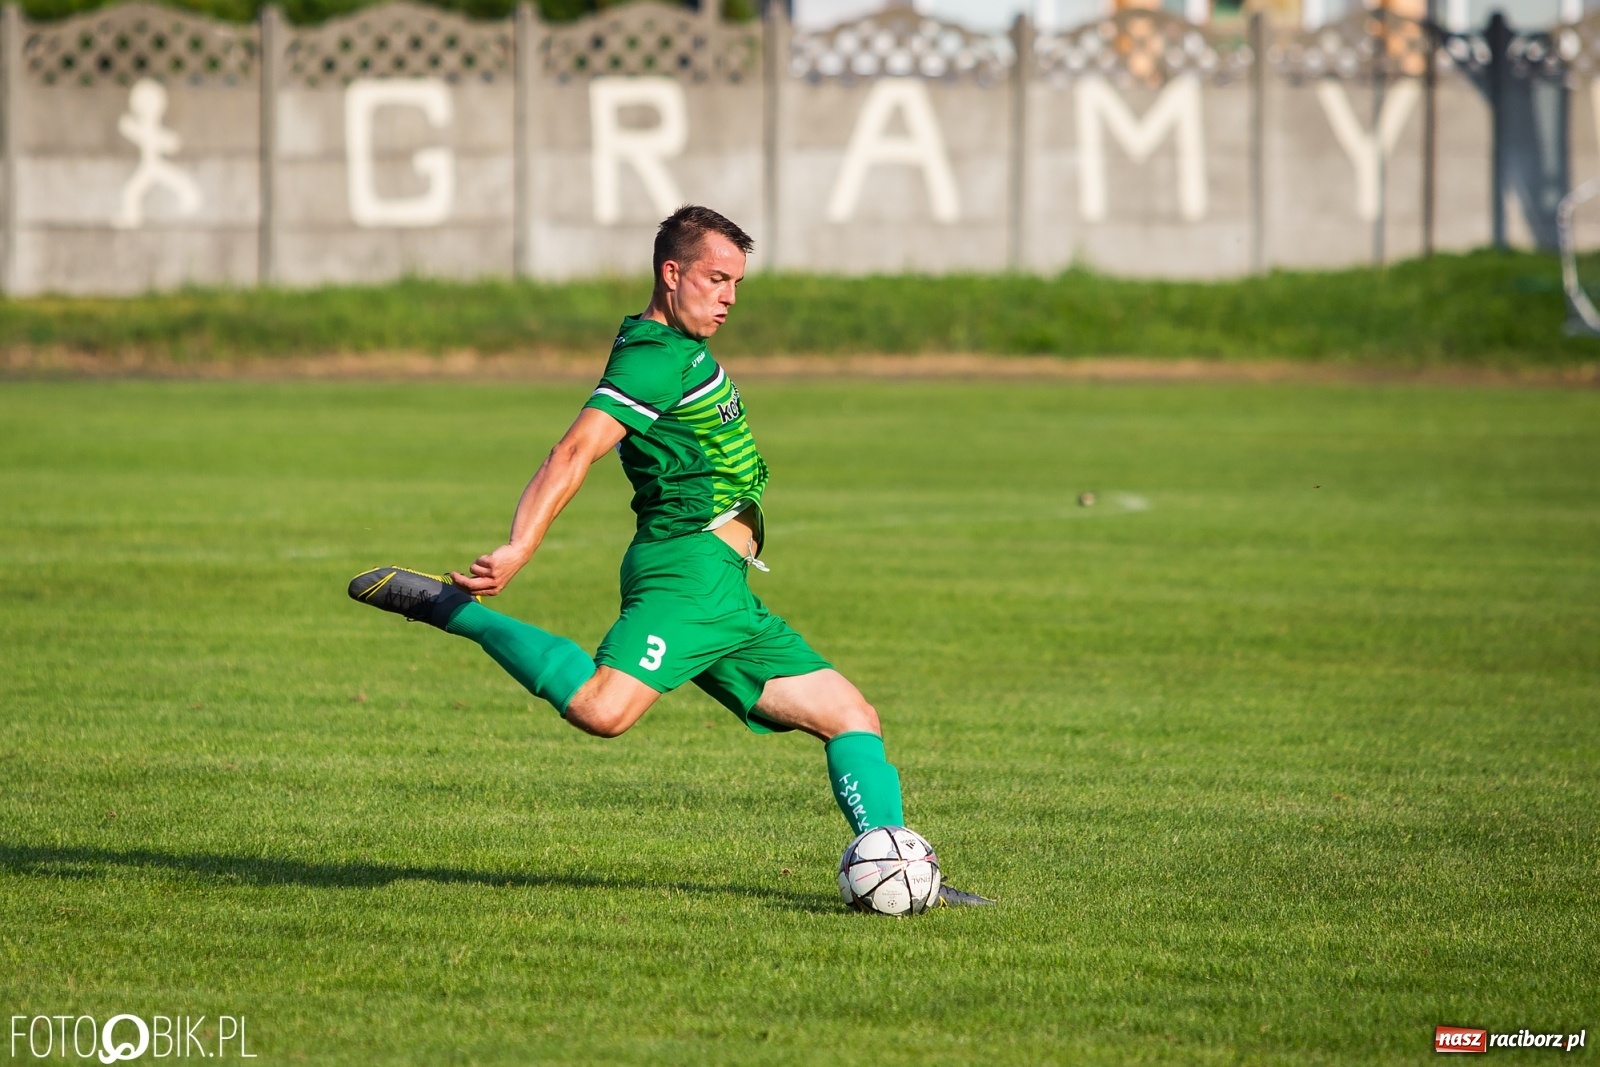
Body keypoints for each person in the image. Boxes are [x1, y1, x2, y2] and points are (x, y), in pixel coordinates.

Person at [348, 205, 990, 907]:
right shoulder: (652, 358)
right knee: (602, 708)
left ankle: (901, 868)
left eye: (737, 283)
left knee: (851, 715)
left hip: (724, 589)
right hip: (685, 572)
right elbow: (574, 450)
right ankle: (454, 611)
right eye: (717, 279)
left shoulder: (675, 350)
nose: (730, 298)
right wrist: (521, 543)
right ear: (671, 271)